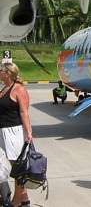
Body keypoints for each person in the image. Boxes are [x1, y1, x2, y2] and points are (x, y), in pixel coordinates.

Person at [0, 63, 33, 207]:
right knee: (13, 167)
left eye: (0, 70)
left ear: (7, 73)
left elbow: (24, 112)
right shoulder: (4, 89)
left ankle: (14, 203)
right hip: (3, 131)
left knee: (17, 169)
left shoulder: (19, 89)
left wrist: (29, 132)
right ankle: (24, 200)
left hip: (13, 132)